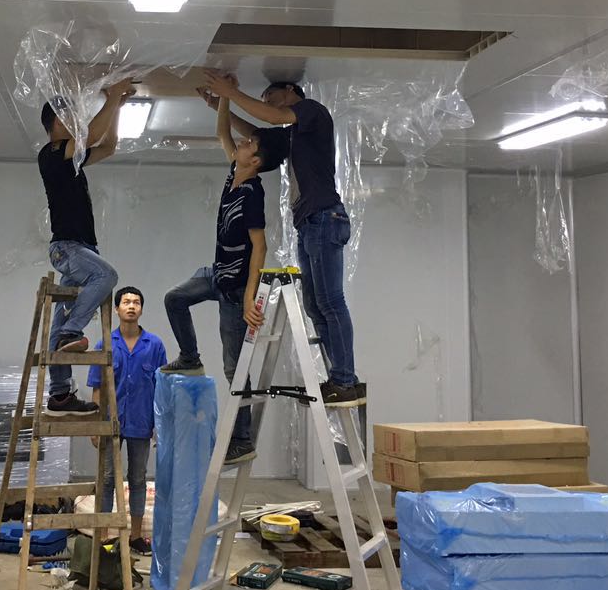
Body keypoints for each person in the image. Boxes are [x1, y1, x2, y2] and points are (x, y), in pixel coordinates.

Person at [203, 70, 365, 409]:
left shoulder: (312, 111)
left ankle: (345, 380)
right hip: (310, 223)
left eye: (270, 97)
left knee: (330, 301)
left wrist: (231, 93)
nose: (268, 104)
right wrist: (223, 105)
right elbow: (258, 134)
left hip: (324, 217)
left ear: (291, 90)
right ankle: (339, 378)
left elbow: (272, 119)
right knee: (315, 305)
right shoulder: (293, 134)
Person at [161, 89, 285, 465]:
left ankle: (242, 439)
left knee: (234, 368)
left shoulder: (252, 193)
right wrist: (222, 100)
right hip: (216, 274)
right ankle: (189, 356)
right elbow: (222, 134)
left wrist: (249, 298)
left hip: (234, 290)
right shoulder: (235, 170)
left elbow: (260, 247)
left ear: (256, 161)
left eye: (251, 144)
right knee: (174, 298)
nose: (243, 143)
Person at [38, 80, 135, 415]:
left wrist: (117, 106)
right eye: (69, 117)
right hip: (68, 248)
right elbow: (90, 137)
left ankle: (59, 395)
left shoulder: (72, 160)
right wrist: (112, 97)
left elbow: (108, 146)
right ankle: (71, 333)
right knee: (106, 276)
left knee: (62, 314)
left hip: (80, 249)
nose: (76, 122)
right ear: (55, 122)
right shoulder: (51, 153)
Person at [87, 286, 166, 556]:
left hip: (142, 422)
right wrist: (96, 425)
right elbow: (97, 388)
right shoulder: (105, 345)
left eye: (136, 302)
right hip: (111, 423)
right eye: (126, 302)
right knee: (108, 478)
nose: (131, 306)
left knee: (138, 479)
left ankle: (135, 536)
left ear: (141, 309)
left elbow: (162, 387)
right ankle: (104, 537)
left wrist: (160, 424)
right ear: (117, 309)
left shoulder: (154, 345)